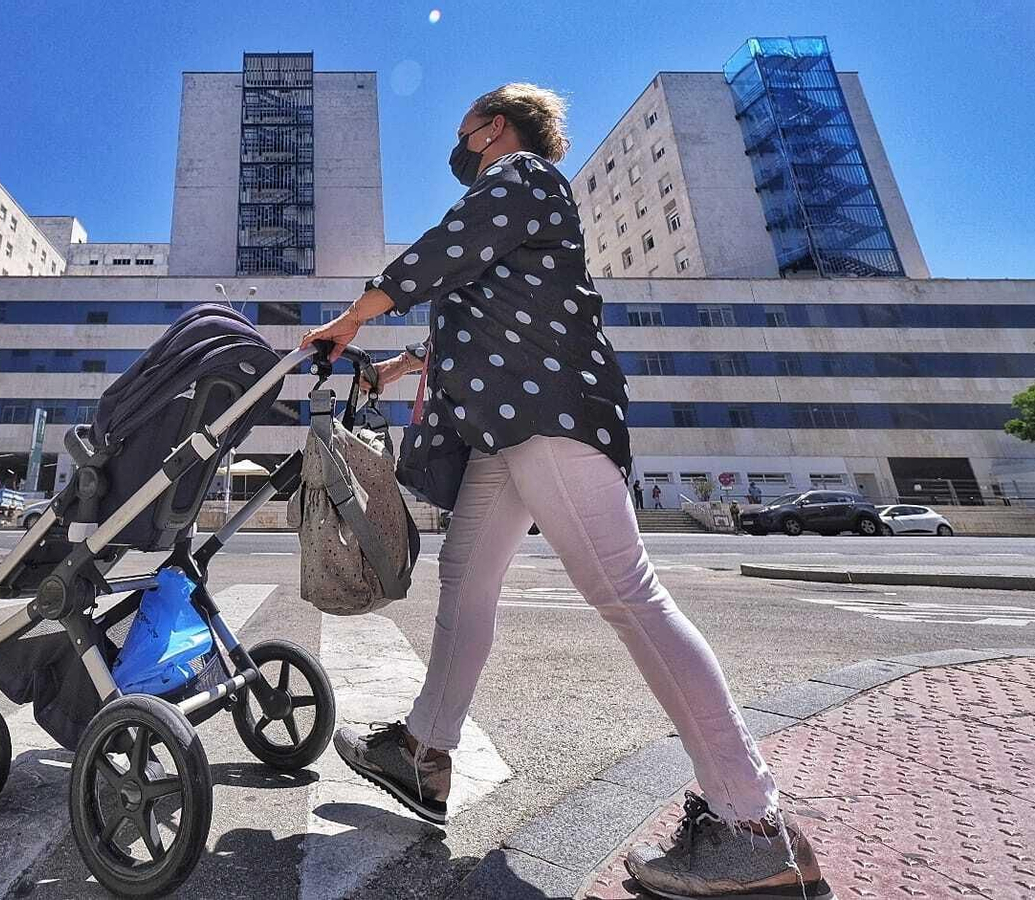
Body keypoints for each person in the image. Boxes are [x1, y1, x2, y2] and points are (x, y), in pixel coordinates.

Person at [299, 83, 827, 900]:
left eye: (465, 128)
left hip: (545, 413)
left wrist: (353, 316)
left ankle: (750, 824)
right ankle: (423, 752)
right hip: (506, 427)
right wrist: (398, 364)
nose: (461, 145)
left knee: (627, 594)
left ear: (496, 128)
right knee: (465, 583)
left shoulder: (524, 181)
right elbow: (468, 323)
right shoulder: (508, 223)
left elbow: (444, 250)